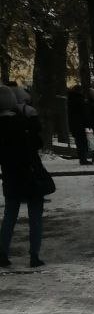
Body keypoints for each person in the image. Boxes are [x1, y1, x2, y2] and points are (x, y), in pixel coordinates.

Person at [0, 84, 47, 268]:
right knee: (35, 216)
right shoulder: (22, 123)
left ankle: (3, 252)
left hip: (11, 176)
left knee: (10, 215)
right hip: (30, 174)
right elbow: (37, 143)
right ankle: (34, 255)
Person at [67, 84, 90, 165]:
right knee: (82, 142)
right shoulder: (79, 99)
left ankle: (82, 158)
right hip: (80, 124)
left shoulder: (70, 99)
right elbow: (83, 112)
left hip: (74, 124)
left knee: (79, 142)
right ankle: (83, 159)